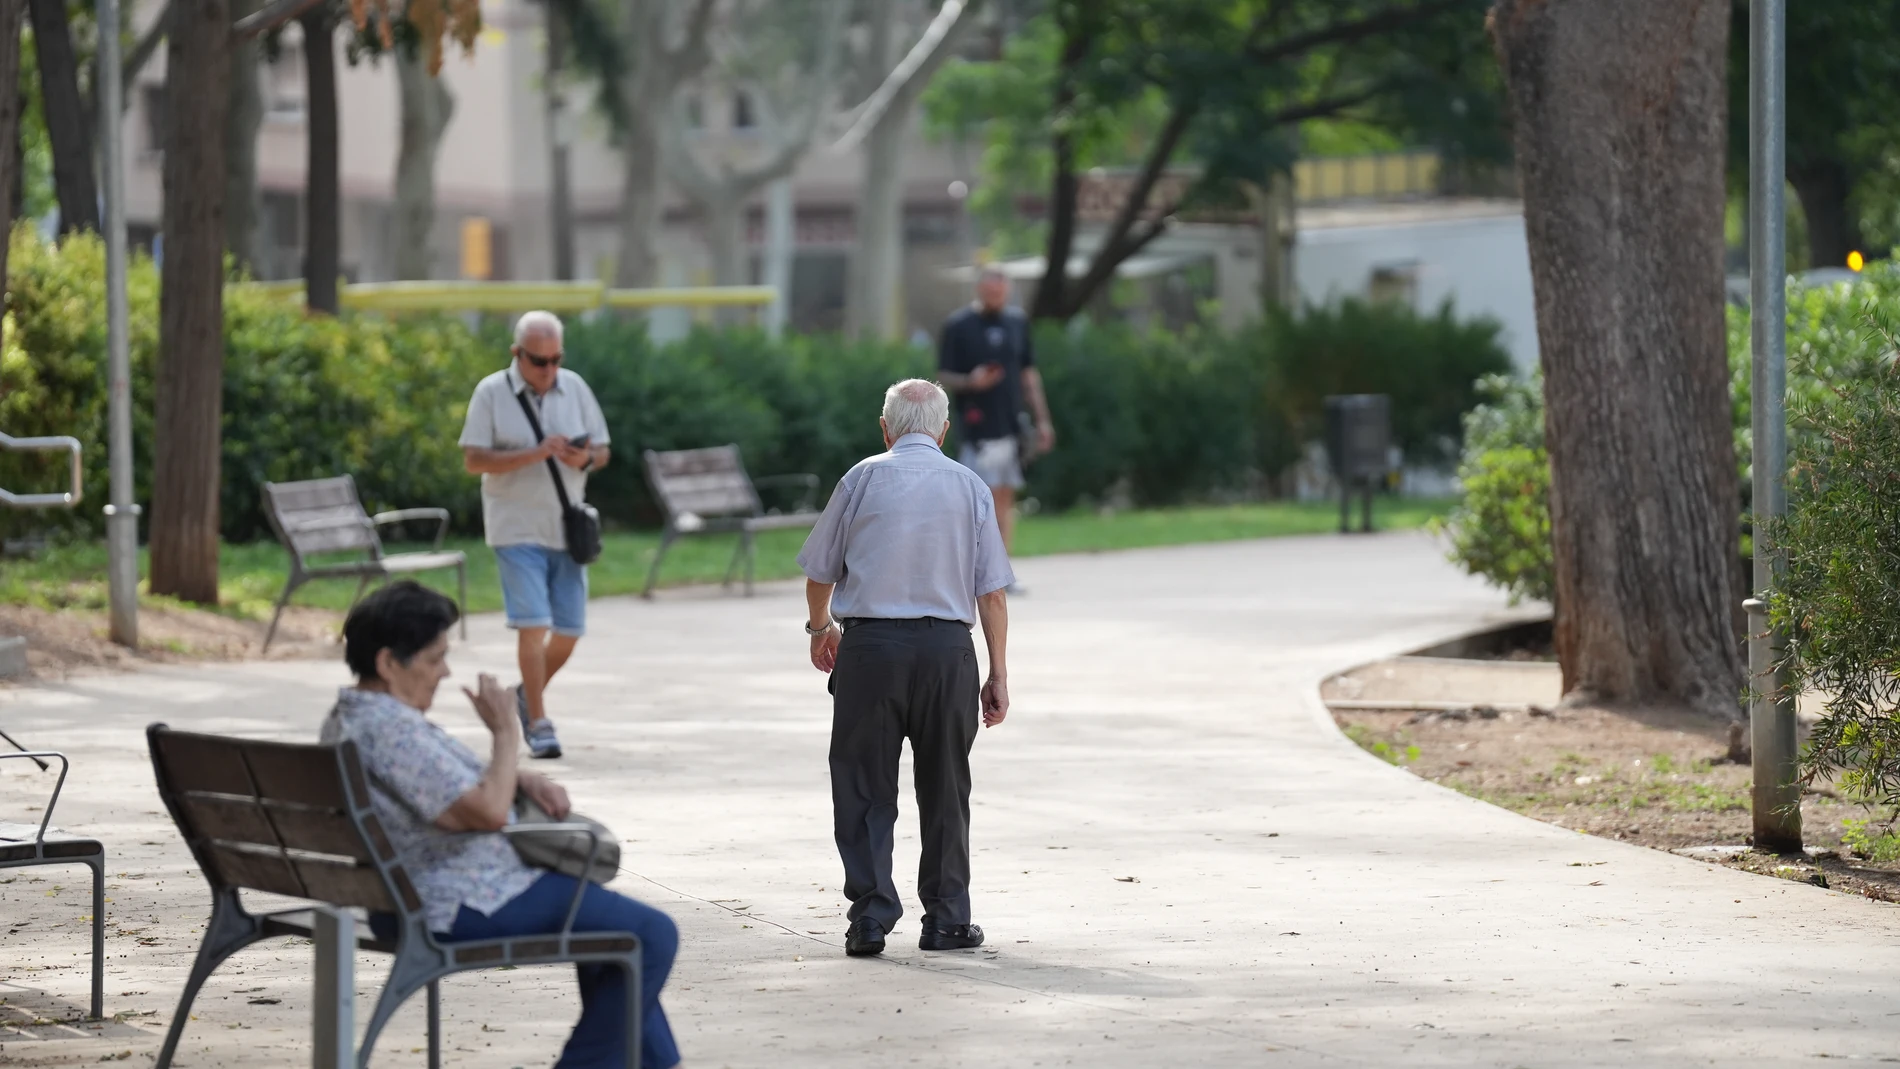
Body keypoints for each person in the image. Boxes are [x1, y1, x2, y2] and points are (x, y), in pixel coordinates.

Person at [321, 581, 681, 1069]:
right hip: (460, 897)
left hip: (405, 890)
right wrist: (507, 732)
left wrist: (521, 776)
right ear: (388, 663)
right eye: (433, 659)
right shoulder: (391, 730)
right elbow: (487, 813)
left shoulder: (353, 717)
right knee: (650, 934)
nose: (444, 672)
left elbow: (446, 787)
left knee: (618, 945)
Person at [796, 379, 1014, 958]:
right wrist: (997, 673)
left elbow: (820, 571)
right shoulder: (970, 486)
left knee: (864, 785)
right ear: (943, 431)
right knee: (946, 785)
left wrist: (821, 629)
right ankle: (946, 920)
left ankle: (870, 917)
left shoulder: (862, 477)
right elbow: (991, 593)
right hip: (947, 654)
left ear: (886, 427)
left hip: (870, 651)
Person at [460, 310, 610, 759]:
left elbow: (602, 451)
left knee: (569, 630)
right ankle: (539, 722)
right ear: (516, 354)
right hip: (515, 527)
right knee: (534, 625)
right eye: (537, 361)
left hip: (567, 526)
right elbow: (473, 460)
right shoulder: (491, 392)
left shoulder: (576, 387)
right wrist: (532, 454)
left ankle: (523, 695)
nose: (547, 370)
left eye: (555, 360)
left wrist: (580, 460)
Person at [937, 267, 1055, 561]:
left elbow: (1028, 374)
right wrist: (970, 381)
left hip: (1011, 425)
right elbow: (943, 375)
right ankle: (975, 567)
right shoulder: (959, 325)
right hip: (977, 428)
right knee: (978, 500)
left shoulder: (1017, 322)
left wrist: (1042, 420)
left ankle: (1002, 569)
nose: (996, 298)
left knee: (1004, 498)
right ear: (979, 290)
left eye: (1001, 293)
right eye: (990, 293)